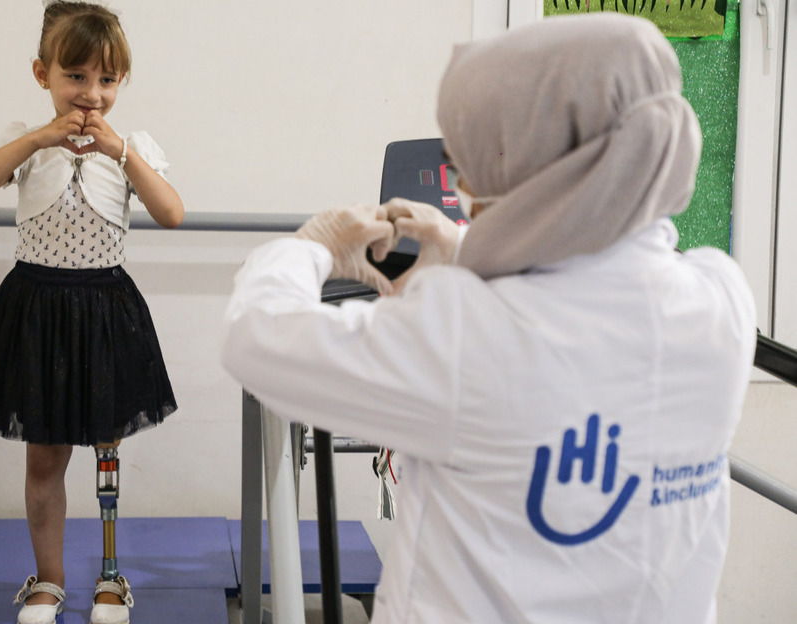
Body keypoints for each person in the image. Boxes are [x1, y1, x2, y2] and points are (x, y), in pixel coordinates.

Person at [221, 13, 755, 624]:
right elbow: (579, 259)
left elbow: (254, 337)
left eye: (469, 159)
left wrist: (311, 246)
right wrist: (464, 254)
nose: (465, 182)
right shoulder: (720, 299)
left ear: (535, 162)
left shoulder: (466, 333)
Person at [0, 2, 183, 623]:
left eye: (106, 80)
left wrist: (121, 153)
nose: (91, 94)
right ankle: (49, 580)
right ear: (43, 74)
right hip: (37, 313)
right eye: (76, 77)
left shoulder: (131, 147)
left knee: (105, 449)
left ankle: (111, 578)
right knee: (44, 456)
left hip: (106, 313)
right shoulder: (28, 145)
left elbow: (172, 213)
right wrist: (36, 137)